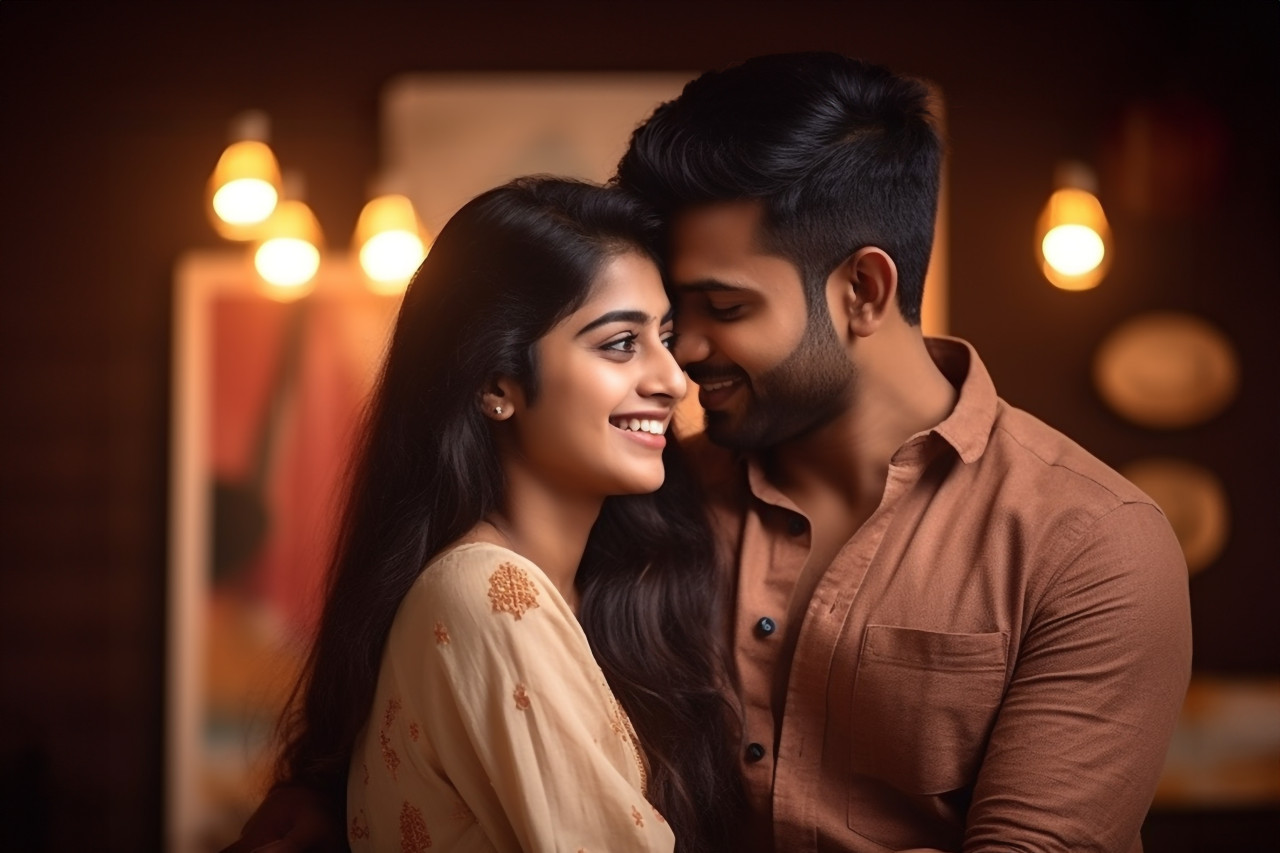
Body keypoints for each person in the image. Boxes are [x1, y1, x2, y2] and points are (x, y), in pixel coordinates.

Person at [228, 53, 1193, 852]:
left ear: (862, 289)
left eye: (721, 308)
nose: (682, 355)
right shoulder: (638, 493)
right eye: (650, 324)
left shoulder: (1089, 544)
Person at [228, 177, 744, 853]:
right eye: (620, 343)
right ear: (496, 385)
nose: (673, 378)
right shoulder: (492, 596)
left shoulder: (569, 596)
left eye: (666, 338)